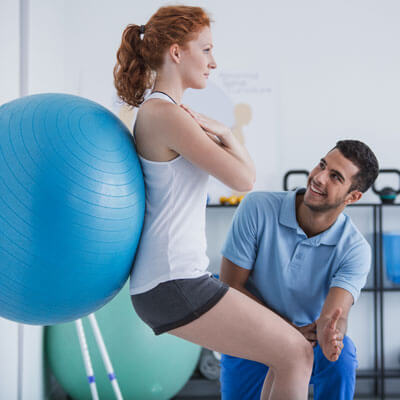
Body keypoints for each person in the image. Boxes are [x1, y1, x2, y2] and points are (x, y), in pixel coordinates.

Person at [114, 5, 314, 399]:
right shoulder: (163, 114)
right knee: (296, 353)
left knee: (289, 354)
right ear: (176, 51)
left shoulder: (164, 112)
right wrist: (229, 136)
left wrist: (222, 130)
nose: (213, 62)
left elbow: (243, 178)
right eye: (205, 50)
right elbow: (244, 178)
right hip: (173, 281)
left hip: (171, 279)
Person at [219, 140, 379, 400]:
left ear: (353, 197)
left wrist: (332, 335)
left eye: (335, 177)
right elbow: (229, 286)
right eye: (322, 165)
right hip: (250, 333)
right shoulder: (257, 208)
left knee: (343, 356)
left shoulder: (355, 249)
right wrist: (285, 329)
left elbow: (334, 315)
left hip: (308, 340)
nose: (318, 177)